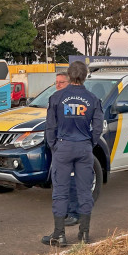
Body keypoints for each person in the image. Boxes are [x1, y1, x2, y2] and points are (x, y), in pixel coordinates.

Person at [42, 61, 103, 246]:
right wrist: (89, 142)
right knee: (85, 190)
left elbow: (50, 126)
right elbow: (98, 127)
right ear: (85, 76)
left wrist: (54, 146)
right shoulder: (93, 99)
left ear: (69, 75)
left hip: (64, 147)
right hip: (84, 147)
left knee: (60, 191)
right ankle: (84, 234)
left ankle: (59, 235)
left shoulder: (57, 97)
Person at [54, 72, 79, 227]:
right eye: (56, 82)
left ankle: (74, 213)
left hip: (71, 148)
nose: (57, 85)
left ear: (69, 84)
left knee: (72, 181)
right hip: (60, 147)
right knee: (60, 183)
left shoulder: (73, 103)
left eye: (61, 82)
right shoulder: (57, 101)